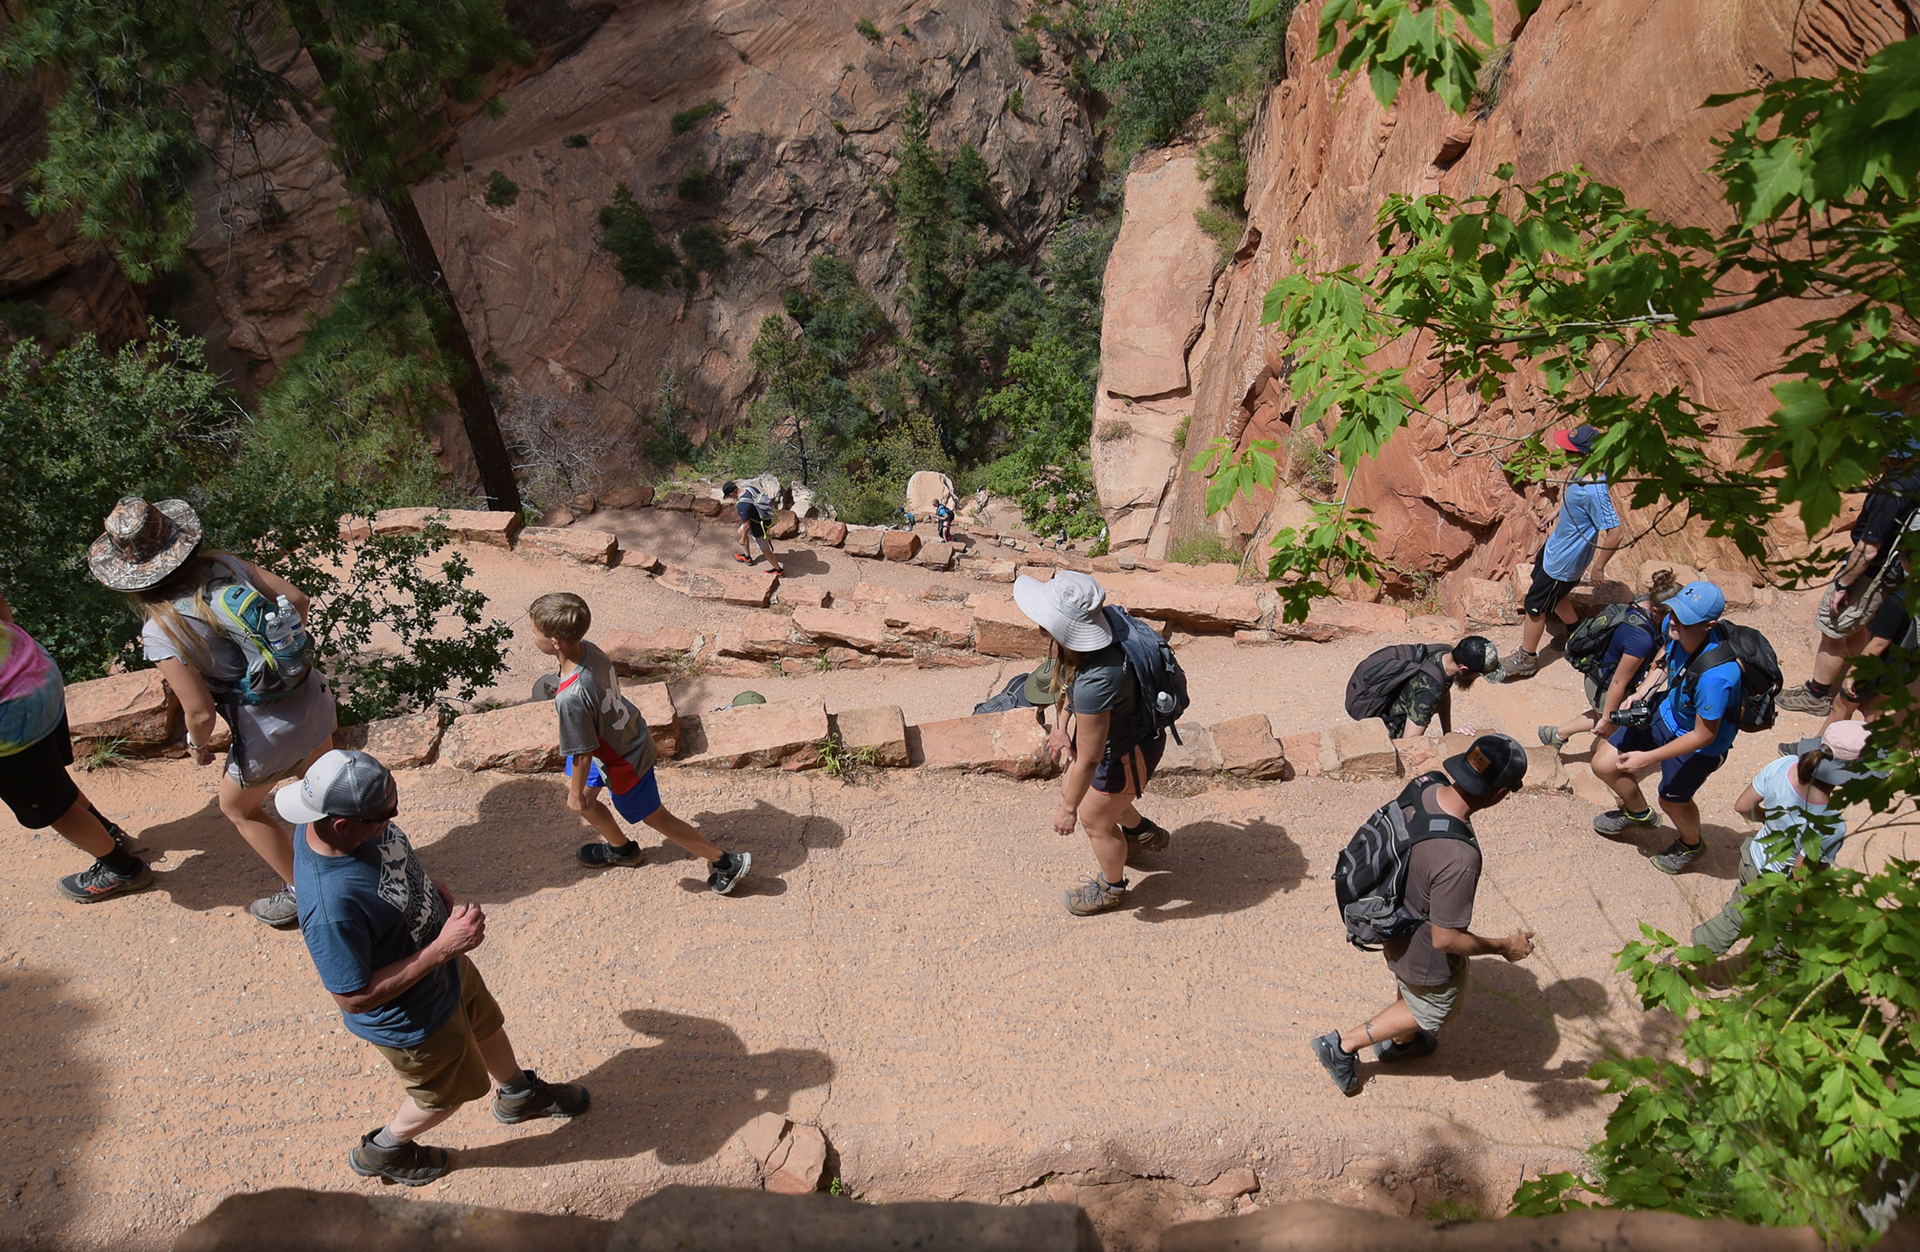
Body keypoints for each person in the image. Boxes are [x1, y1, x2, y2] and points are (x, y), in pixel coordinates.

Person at [280, 750, 590, 1185]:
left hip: (441, 962)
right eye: (386, 815)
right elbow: (353, 997)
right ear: (344, 825)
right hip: (414, 1017)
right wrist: (441, 950)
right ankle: (385, 1150)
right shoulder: (331, 906)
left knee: (485, 1024)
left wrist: (423, 892)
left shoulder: (326, 817)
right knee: (444, 1094)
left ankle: (520, 1094)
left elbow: (386, 869)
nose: (393, 818)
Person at [90, 497, 335, 928]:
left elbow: (200, 712)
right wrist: (283, 661)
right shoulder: (226, 564)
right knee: (323, 789)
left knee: (239, 809)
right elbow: (298, 600)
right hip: (312, 698)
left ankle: (307, 894)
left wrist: (197, 745)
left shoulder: (160, 628)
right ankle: (354, 860)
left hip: (267, 730)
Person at [1310, 734, 1534, 1095]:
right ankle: (1343, 1046)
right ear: (1501, 793)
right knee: (1432, 1009)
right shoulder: (1459, 858)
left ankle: (1403, 1042)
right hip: (1421, 949)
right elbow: (1445, 938)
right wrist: (1504, 947)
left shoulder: (1425, 785)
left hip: (1389, 916)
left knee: (1410, 988)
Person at [526, 592, 750, 893]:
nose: (532, 636)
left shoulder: (570, 698)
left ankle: (725, 862)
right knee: (586, 803)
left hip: (623, 760)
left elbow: (582, 753)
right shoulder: (589, 649)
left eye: (534, 632)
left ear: (555, 642)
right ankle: (622, 850)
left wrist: (575, 794)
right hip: (616, 739)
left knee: (655, 817)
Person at [1012, 571, 1171, 917]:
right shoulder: (1098, 638)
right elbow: (1072, 685)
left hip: (1128, 755)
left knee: (1093, 819)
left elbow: (1090, 757)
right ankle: (1141, 833)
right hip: (1131, 739)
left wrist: (1068, 811)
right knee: (1077, 790)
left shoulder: (1098, 680)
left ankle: (1112, 888)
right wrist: (1061, 727)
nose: (1038, 623)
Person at [0, 591, 150, 902]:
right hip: (33, 671)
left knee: (53, 809)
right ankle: (109, 834)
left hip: (9, 717)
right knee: (49, 778)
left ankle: (123, 870)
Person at [1589, 580, 1742, 874]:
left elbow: (1704, 735)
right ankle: (1638, 813)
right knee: (1604, 764)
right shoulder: (1675, 628)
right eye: (1674, 612)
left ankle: (1691, 844)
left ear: (1709, 625)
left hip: (1698, 746)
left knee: (1672, 800)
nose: (1674, 621)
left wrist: (1647, 758)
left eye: (1684, 619)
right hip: (1665, 714)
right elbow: (1665, 659)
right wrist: (1642, 692)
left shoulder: (1717, 677)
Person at [1692, 722, 1872, 955]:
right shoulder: (1830, 823)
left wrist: (1771, 820)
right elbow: (1801, 877)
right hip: (1780, 886)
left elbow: (1743, 806)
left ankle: (1681, 959)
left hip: (1753, 860)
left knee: (1733, 918)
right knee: (1784, 944)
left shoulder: (1784, 765)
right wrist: (1801, 924)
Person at [1777, 458, 1920, 715]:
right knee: (1855, 627)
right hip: (1897, 569)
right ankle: (1862, 687)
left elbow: (1868, 550)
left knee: (1833, 628)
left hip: (1871, 574)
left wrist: (1843, 583)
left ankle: (1816, 695)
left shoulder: (1893, 490)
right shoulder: (1915, 479)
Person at [1499, 425, 1622, 682]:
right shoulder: (1584, 470)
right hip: (1555, 549)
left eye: (1570, 450)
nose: (1565, 454)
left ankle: (1527, 658)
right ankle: (1576, 634)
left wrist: (1599, 566)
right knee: (1552, 594)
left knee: (1534, 605)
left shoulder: (1595, 489)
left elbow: (1615, 533)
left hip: (1565, 561)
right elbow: (1575, 497)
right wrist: (1557, 511)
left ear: (1587, 454)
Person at [1537, 574, 1678, 750]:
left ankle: (1557, 734)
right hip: (1606, 687)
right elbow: (1618, 682)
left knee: (1605, 715)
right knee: (1612, 729)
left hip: (1598, 674)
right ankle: (1594, 756)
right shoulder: (1641, 639)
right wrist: (1607, 720)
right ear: (1656, 611)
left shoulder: (1642, 602)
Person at [1346, 638, 1500, 741]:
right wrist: (1451, 741)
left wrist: (1448, 733)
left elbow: (1444, 691)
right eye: (1478, 674)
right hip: (1388, 732)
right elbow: (1409, 743)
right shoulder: (1429, 694)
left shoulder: (1444, 653)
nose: (1477, 678)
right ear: (1464, 669)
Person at [722, 481, 783, 573]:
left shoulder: (742, 505)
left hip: (758, 528)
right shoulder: (750, 489)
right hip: (762, 519)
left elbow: (747, 525)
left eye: (728, 496)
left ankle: (778, 570)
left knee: (766, 551)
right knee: (740, 531)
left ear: (731, 494)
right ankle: (747, 557)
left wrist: (742, 539)